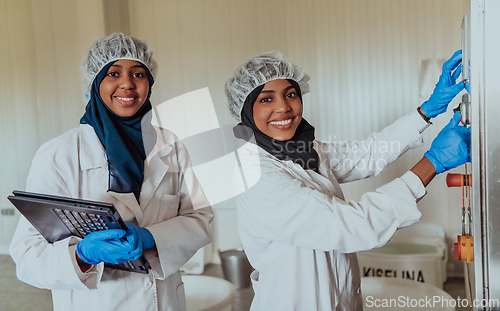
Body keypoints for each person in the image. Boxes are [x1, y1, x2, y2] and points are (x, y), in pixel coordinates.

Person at [224, 50, 470, 310]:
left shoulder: (305, 149)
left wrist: (426, 111)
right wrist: (432, 163)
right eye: (266, 99)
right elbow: (351, 225)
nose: (283, 106)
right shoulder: (254, 175)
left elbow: (367, 153)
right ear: (246, 111)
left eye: (290, 94)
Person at [9, 33, 213, 311]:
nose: (127, 83)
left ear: (149, 83)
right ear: (95, 83)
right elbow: (27, 255)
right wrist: (82, 254)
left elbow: (200, 217)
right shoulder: (58, 155)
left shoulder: (170, 146)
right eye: (113, 73)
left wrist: (152, 237)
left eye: (138, 74)